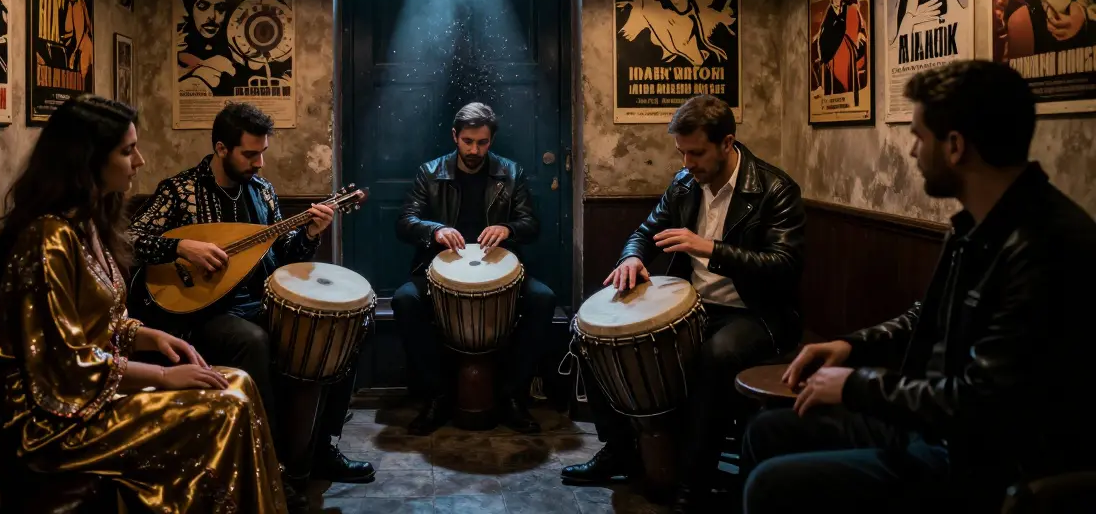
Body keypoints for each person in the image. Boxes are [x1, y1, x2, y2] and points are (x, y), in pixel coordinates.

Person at [742, 60, 1096, 513]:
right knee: (767, 430)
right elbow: (927, 317)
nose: (911, 151)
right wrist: (851, 347)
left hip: (975, 460)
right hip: (927, 423)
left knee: (771, 486)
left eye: (919, 136)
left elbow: (983, 403)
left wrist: (858, 386)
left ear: (955, 146)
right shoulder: (975, 225)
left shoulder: (1045, 245)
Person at [0, 94, 287, 513]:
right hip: (57, 421)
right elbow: (65, 365)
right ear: (88, 159)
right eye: (128, 151)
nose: (140, 161)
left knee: (239, 382)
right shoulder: (48, 239)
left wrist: (150, 336)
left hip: (92, 394)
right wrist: (164, 377)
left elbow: (102, 322)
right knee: (226, 406)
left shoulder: (88, 225)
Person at [562, 94, 806, 513]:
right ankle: (619, 449)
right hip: (696, 306)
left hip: (758, 313)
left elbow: (785, 265)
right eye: (682, 153)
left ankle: (693, 483)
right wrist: (632, 258)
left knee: (714, 356)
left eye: (696, 153)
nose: (687, 163)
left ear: (727, 143)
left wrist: (712, 249)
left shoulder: (774, 189)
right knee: (594, 337)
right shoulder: (684, 184)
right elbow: (644, 232)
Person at [127, 102, 372, 509]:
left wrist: (310, 233)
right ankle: (271, 467)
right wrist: (180, 247)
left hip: (258, 302)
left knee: (341, 327)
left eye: (263, 153)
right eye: (249, 154)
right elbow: (129, 240)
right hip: (201, 313)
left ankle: (320, 449)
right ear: (221, 148)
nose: (259, 163)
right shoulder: (180, 191)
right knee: (252, 341)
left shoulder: (263, 192)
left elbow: (284, 259)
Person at [393, 102, 556, 435]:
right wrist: (434, 230)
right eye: (467, 141)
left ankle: (512, 396)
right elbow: (405, 222)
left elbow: (532, 224)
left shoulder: (511, 173)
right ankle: (437, 396)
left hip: (499, 273)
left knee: (543, 299)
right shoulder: (430, 172)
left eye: (482, 142)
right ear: (455, 136)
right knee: (404, 300)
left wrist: (508, 229)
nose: (474, 150)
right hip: (439, 271)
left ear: (491, 140)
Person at [812, 0, 869, 100]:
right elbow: (824, 37)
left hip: (848, 57)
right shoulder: (829, 14)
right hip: (832, 60)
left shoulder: (848, 9)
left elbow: (860, 26)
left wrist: (860, 33)